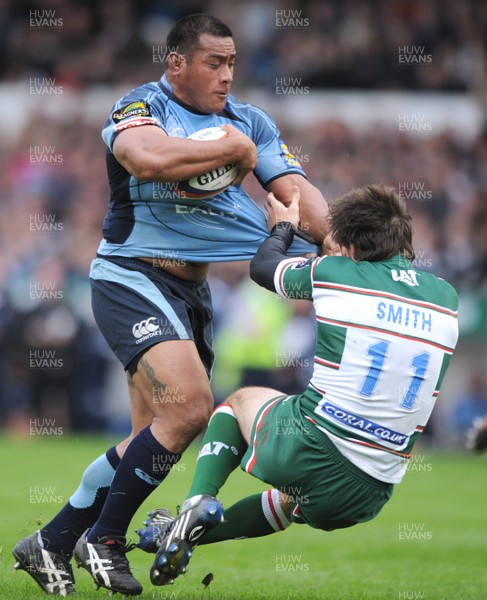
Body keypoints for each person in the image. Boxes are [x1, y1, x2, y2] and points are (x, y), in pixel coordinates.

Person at [12, 13, 328, 597]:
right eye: (214, 62)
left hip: (194, 294)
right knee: (189, 411)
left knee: (153, 440)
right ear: (176, 63)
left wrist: (342, 243)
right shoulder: (140, 106)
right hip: (130, 275)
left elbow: (295, 197)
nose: (227, 75)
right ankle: (103, 543)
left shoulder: (250, 122)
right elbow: (147, 160)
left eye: (232, 63)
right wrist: (228, 151)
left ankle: (50, 542)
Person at [135, 183, 459, 587]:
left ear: (353, 249)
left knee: (237, 404)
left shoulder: (336, 272)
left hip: (311, 448)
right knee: (289, 503)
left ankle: (197, 501)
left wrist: (283, 229)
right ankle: (179, 536)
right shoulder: (446, 297)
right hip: (372, 490)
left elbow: (262, 269)